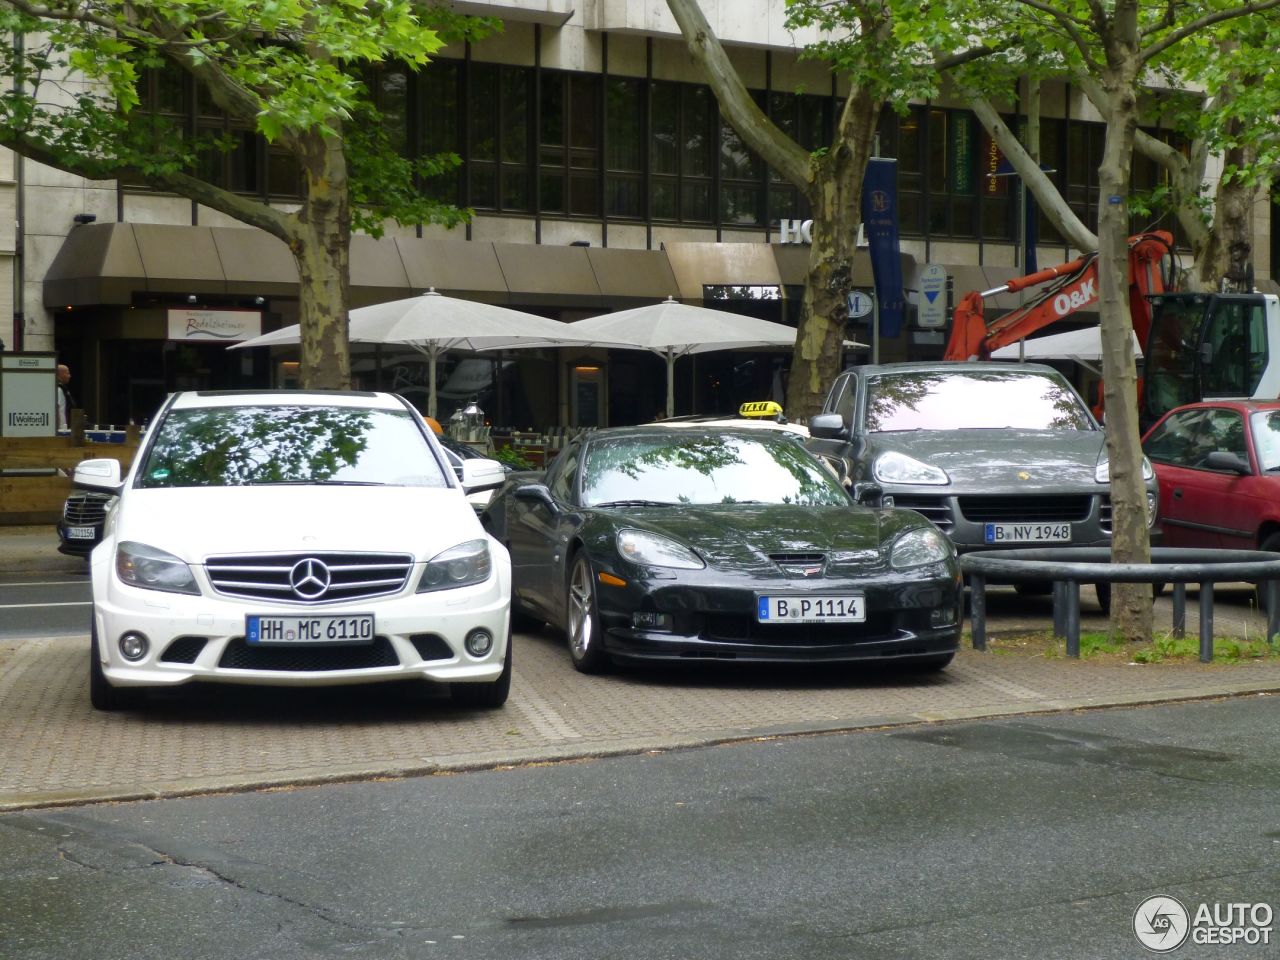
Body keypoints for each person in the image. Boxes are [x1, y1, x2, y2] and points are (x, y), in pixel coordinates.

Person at [56, 363, 76, 430]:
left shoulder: (64, 390)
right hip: (60, 429)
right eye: (67, 373)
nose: (69, 376)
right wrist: (58, 429)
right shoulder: (58, 390)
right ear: (60, 375)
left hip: (64, 428)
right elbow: (56, 409)